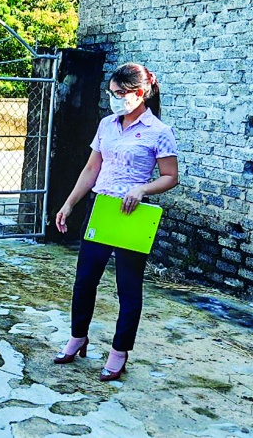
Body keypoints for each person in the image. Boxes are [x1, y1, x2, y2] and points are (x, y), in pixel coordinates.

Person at [53, 63, 179, 382]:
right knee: (84, 281)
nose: (115, 98)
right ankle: (78, 337)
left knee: (128, 288)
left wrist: (142, 188)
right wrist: (69, 204)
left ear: (140, 94)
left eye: (121, 93)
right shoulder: (107, 124)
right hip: (103, 208)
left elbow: (170, 177)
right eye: (112, 93)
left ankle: (119, 352)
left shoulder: (159, 132)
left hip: (134, 214)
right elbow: (91, 169)